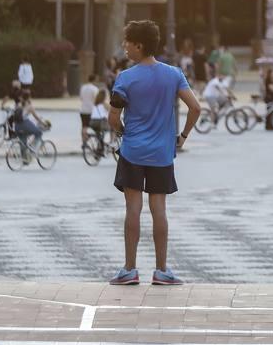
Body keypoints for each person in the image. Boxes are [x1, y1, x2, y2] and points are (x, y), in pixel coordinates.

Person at [107, 19, 201, 287]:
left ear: (139, 45)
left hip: (133, 152)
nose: (124, 46)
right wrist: (181, 137)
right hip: (162, 152)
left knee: (133, 210)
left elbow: (113, 117)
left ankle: (129, 270)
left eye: (127, 42)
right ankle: (161, 271)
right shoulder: (173, 75)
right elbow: (195, 108)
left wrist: (123, 132)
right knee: (159, 209)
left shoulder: (125, 79)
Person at [79, 73, 100, 140]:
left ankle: (84, 142)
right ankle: (97, 140)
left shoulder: (83, 87)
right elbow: (97, 100)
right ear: (94, 80)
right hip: (91, 110)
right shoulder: (95, 89)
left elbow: (81, 98)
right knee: (96, 127)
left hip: (83, 110)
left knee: (84, 126)